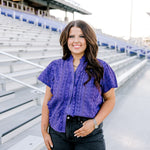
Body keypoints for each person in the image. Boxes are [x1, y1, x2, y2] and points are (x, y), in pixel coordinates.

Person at [38, 20, 118, 150]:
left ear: (89, 39)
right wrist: (44, 131)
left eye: (81, 36)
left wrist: (94, 123)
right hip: (58, 134)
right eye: (71, 36)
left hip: (89, 136)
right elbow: (47, 101)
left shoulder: (101, 68)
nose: (76, 41)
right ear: (66, 39)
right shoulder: (55, 67)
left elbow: (110, 99)